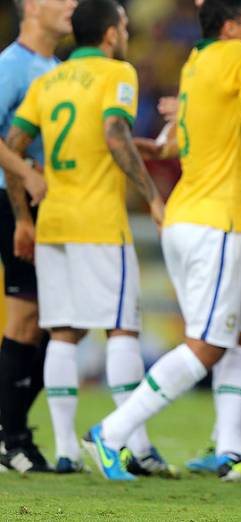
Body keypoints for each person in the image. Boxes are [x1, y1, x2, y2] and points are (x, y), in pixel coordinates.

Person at [82, 0, 241, 481]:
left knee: (236, 336)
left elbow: (180, 138)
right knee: (205, 345)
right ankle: (112, 431)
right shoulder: (236, 58)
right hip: (218, 219)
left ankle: (229, 450)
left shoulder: (196, 63)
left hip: (185, 215)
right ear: (231, 25)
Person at [7, 0, 171, 477]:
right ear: (109, 34)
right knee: (122, 328)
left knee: (62, 331)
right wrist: (155, 198)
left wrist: (24, 215)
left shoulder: (47, 81)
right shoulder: (117, 73)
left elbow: (13, 149)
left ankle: (65, 451)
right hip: (99, 222)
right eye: (122, 25)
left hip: (53, 220)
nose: (125, 32)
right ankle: (131, 444)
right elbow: (115, 134)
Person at [0, 0, 75, 474]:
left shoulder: (58, 69)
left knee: (62, 322)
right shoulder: (11, 65)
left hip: (54, 204)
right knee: (28, 317)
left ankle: (13, 429)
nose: (71, 4)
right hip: (14, 202)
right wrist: (25, 175)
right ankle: (11, 438)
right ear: (30, 6)